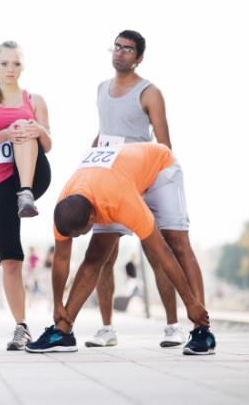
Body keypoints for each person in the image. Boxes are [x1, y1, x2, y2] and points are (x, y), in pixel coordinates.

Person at [25, 143, 215, 356]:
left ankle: (202, 331)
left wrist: (190, 302)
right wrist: (57, 303)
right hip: (113, 177)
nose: (76, 239)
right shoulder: (65, 206)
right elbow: (61, 259)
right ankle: (63, 332)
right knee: (95, 254)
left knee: (176, 241)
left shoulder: (123, 202)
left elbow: (162, 253)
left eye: (80, 234)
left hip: (161, 169)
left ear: (92, 218)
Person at [86, 30, 184, 348]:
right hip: (108, 179)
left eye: (127, 49)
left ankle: (172, 326)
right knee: (101, 254)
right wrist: (89, 165)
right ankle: (106, 328)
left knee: (157, 252)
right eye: (116, 47)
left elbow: (164, 144)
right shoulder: (101, 88)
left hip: (141, 179)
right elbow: (104, 133)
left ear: (139, 57)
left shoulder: (149, 91)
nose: (120, 53)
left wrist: (154, 182)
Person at [0, 40, 52, 350]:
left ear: (23, 66)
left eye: (16, 63)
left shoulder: (36, 99)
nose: (10, 69)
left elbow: (49, 142)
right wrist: (8, 133)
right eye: (5, 63)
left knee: (24, 125)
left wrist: (34, 129)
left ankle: (26, 193)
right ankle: (21, 327)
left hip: (33, 174)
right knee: (10, 258)